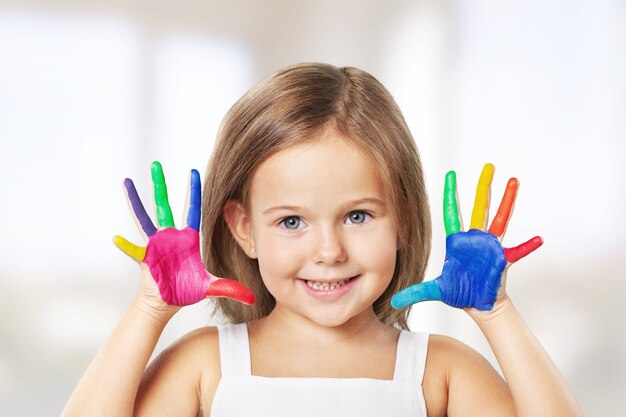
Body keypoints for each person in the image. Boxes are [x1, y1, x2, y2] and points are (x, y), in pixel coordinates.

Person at [62, 63, 583, 416]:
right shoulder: (206, 365)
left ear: (402, 217)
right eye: (292, 221)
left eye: (358, 216)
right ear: (244, 228)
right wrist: (148, 310)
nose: (329, 251)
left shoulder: (438, 371)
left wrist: (498, 314)